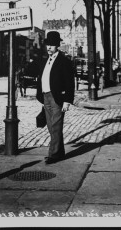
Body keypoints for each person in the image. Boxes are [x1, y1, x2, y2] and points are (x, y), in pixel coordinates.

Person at [36, 31, 75, 164]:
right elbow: (41, 77)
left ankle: (54, 154)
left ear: (57, 45)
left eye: (52, 45)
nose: (49, 47)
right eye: (48, 45)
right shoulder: (45, 61)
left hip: (58, 97)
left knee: (56, 126)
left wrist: (67, 100)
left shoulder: (64, 61)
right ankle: (59, 152)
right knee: (50, 125)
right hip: (45, 96)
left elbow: (70, 82)